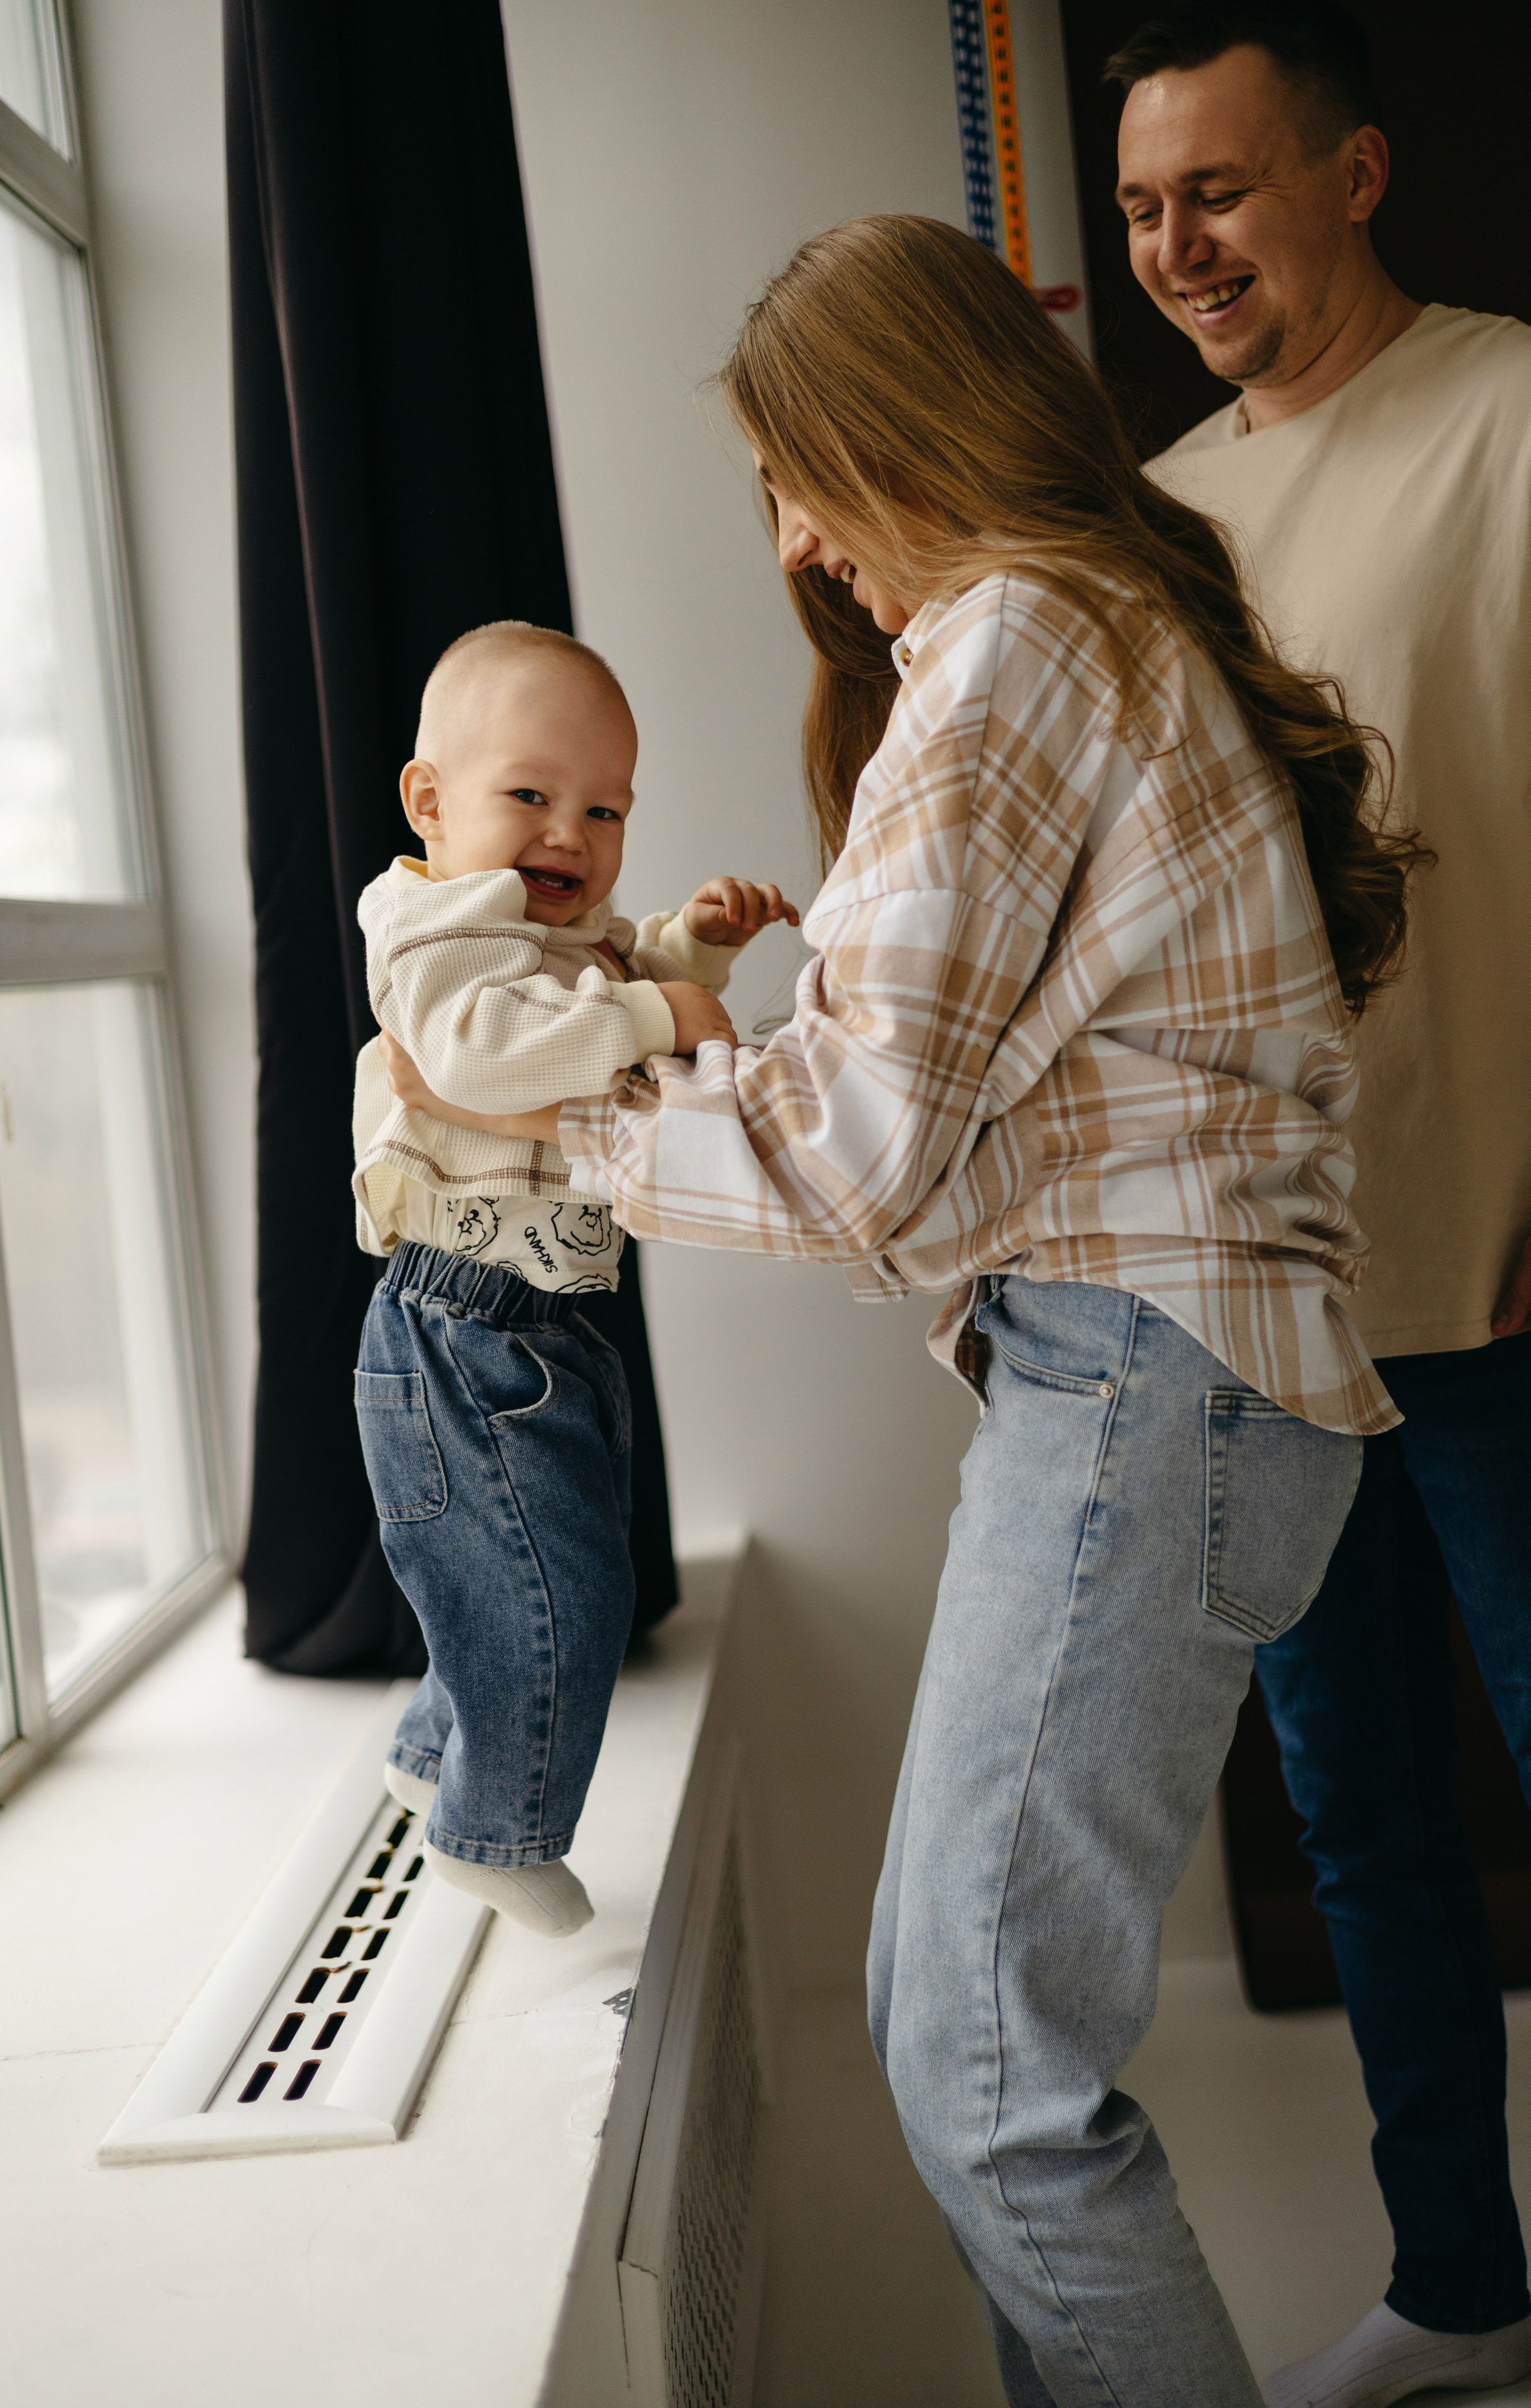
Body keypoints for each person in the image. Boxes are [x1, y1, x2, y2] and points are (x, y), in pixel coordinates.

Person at [381, 215, 1424, 2404]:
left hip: (1150, 1379)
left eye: (796, 472)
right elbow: (898, 1161)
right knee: (959, 2036)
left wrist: (526, 1127)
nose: (791, 535)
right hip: (1153, 1375)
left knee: (981, 2077)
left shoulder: (1016, 639)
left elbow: (852, 1154)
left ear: (893, 431)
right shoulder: (1088, 627)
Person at [1111, 4, 1531, 2399]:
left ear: (1356, 174)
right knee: (1361, 1823)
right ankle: (1464, 2283)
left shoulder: (1508, 414)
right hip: (1269, 1307)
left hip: (1507, 1253)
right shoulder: (1161, 518)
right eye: (1149, 206)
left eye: (1224, 192)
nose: (1179, 248)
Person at [352, 620, 794, 1935]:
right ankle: (495, 1832)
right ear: (431, 802)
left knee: (524, 1569)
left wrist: (689, 951)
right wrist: (663, 1017)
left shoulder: (562, 941)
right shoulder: (435, 932)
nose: (568, 835)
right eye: (530, 796)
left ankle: (434, 1754)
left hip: (536, 1323)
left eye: (603, 809)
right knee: (553, 1588)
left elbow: (605, 988)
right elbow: (491, 1055)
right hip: (459, 1328)